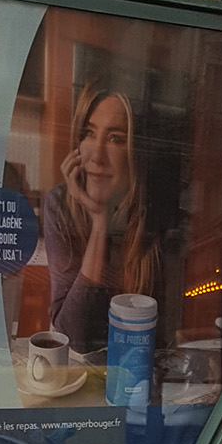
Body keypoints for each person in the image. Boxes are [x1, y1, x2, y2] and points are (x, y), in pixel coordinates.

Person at [43, 81, 164, 355]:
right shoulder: (59, 205)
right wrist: (100, 224)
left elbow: (162, 341)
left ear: (135, 152)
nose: (97, 156)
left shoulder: (154, 218)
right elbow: (71, 335)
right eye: (89, 133)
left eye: (115, 138)